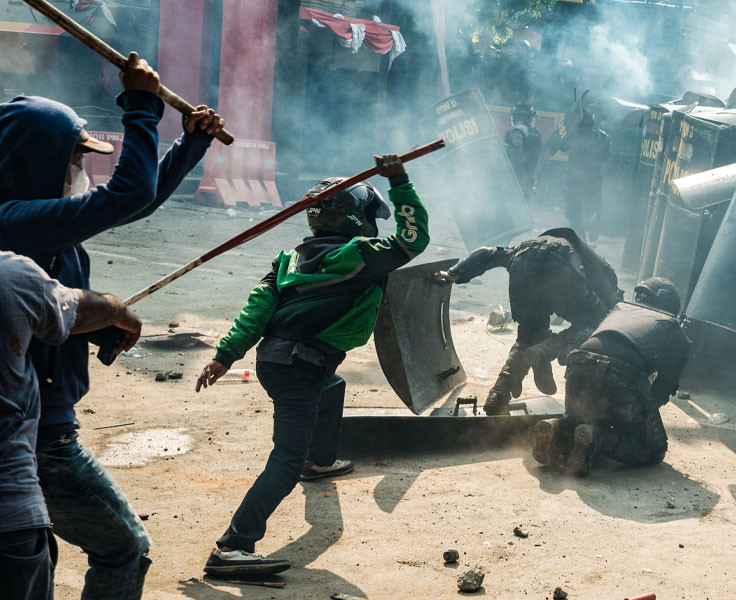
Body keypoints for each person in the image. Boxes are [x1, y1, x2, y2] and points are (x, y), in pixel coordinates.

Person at [0, 52, 225, 599]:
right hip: (40, 438)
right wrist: (142, 105)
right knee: (125, 547)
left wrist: (188, 144)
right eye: (75, 157)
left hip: (40, 425)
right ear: (37, 157)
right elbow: (126, 196)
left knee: (38, 556)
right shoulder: (13, 221)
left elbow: (130, 206)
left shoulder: (40, 219)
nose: (83, 170)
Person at [194, 154, 428, 575]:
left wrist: (224, 355)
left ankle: (319, 462)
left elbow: (256, 312)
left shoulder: (287, 260)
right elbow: (414, 239)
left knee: (332, 387)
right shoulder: (360, 254)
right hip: (300, 367)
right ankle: (232, 547)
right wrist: (399, 179)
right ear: (358, 218)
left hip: (281, 362)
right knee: (284, 460)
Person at [0, 251, 143, 600]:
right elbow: (78, 309)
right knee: (126, 548)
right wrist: (119, 312)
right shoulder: (11, 270)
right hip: (38, 457)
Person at [435, 228, 621, 416]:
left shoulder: (526, 247)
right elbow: (604, 314)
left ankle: (498, 395)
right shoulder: (603, 274)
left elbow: (488, 253)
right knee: (599, 322)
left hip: (520, 269)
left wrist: (454, 273)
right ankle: (544, 351)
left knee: (530, 333)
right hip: (559, 272)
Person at [530, 278, 690, 476]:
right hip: (621, 378)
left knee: (578, 419)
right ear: (670, 304)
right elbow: (663, 387)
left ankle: (556, 428)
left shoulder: (619, 309)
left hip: (578, 367)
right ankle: (598, 438)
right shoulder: (672, 326)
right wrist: (642, 413)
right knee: (652, 452)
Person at [560, 109, 609, 242]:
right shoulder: (603, 136)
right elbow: (606, 156)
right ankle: (593, 217)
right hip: (594, 176)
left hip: (574, 177)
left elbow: (562, 146)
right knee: (594, 206)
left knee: (574, 213)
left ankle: (581, 240)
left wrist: (567, 125)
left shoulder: (574, 135)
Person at [503, 103, 542, 197]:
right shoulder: (536, 134)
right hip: (529, 181)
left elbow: (514, 156)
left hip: (515, 182)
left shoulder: (516, 131)